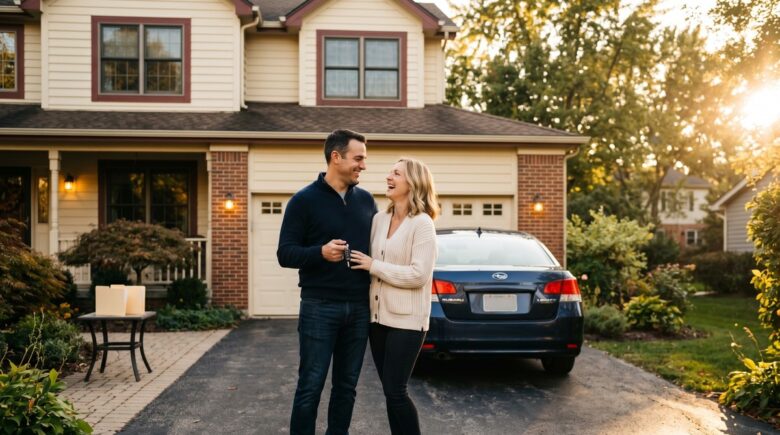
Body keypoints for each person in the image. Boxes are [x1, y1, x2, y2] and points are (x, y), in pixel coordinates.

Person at [277, 129, 378, 435]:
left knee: (346, 388)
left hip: (359, 308)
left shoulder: (366, 201)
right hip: (319, 307)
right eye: (358, 158)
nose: (363, 165)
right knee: (311, 385)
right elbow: (285, 253)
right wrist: (320, 252)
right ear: (336, 157)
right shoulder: (303, 201)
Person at [348, 157, 439, 435]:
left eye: (396, 174)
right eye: (390, 172)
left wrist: (373, 266)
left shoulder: (422, 223)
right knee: (389, 392)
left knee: (396, 391)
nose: (389, 177)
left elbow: (418, 275)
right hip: (378, 320)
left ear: (412, 182)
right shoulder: (379, 219)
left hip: (408, 322)